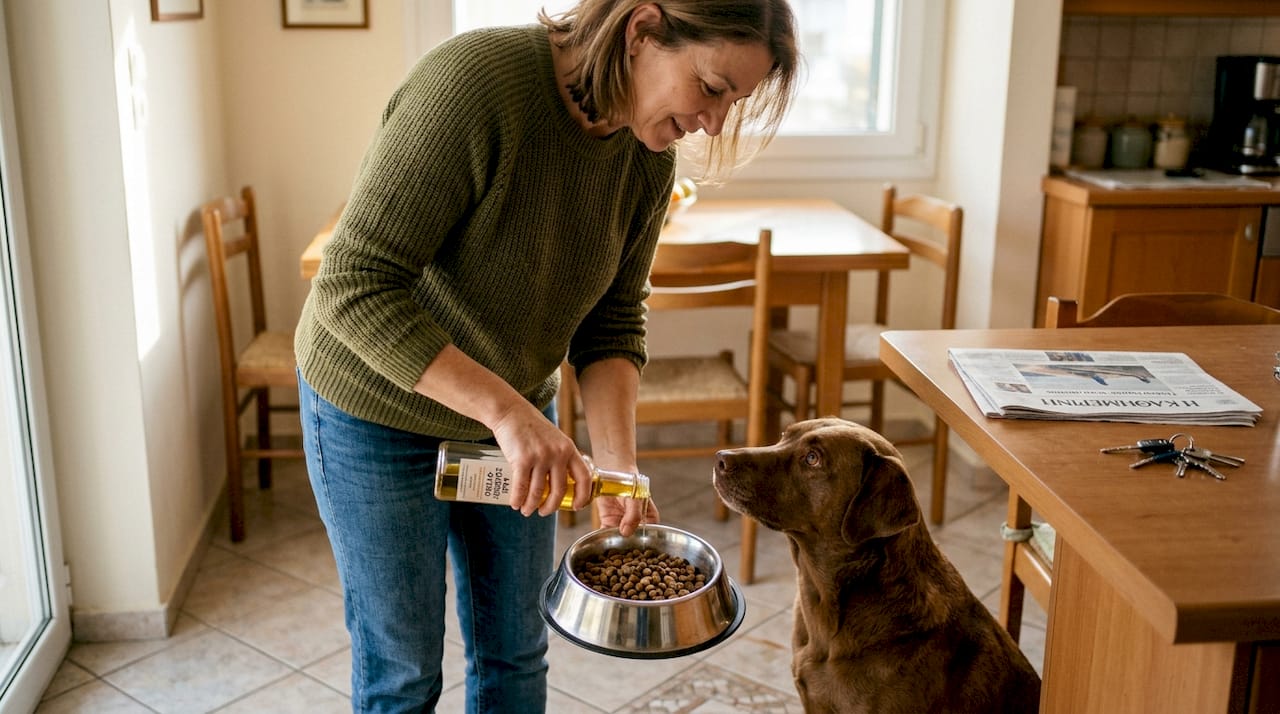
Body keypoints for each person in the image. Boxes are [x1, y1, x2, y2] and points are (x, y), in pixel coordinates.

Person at [294, 1, 798, 711]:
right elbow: (352, 284)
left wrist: (619, 466)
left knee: (517, 654)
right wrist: (508, 412)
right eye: (712, 88)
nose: (714, 122)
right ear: (643, 30)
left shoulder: (646, 162)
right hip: (376, 410)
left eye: (733, 103)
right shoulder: (474, 86)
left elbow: (612, 324)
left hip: (516, 423)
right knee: (403, 669)